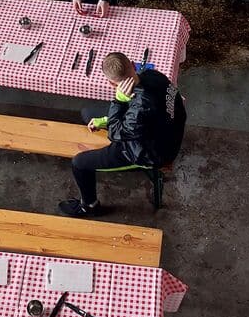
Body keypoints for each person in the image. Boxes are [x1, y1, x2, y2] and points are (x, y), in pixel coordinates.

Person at [60, 51, 186, 218]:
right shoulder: (153, 75)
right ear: (133, 65)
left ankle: (89, 206)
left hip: (152, 153)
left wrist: (118, 101)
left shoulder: (139, 111)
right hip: (166, 126)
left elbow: (115, 134)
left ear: (112, 84)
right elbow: (139, 112)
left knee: (79, 163)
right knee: (88, 113)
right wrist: (106, 119)